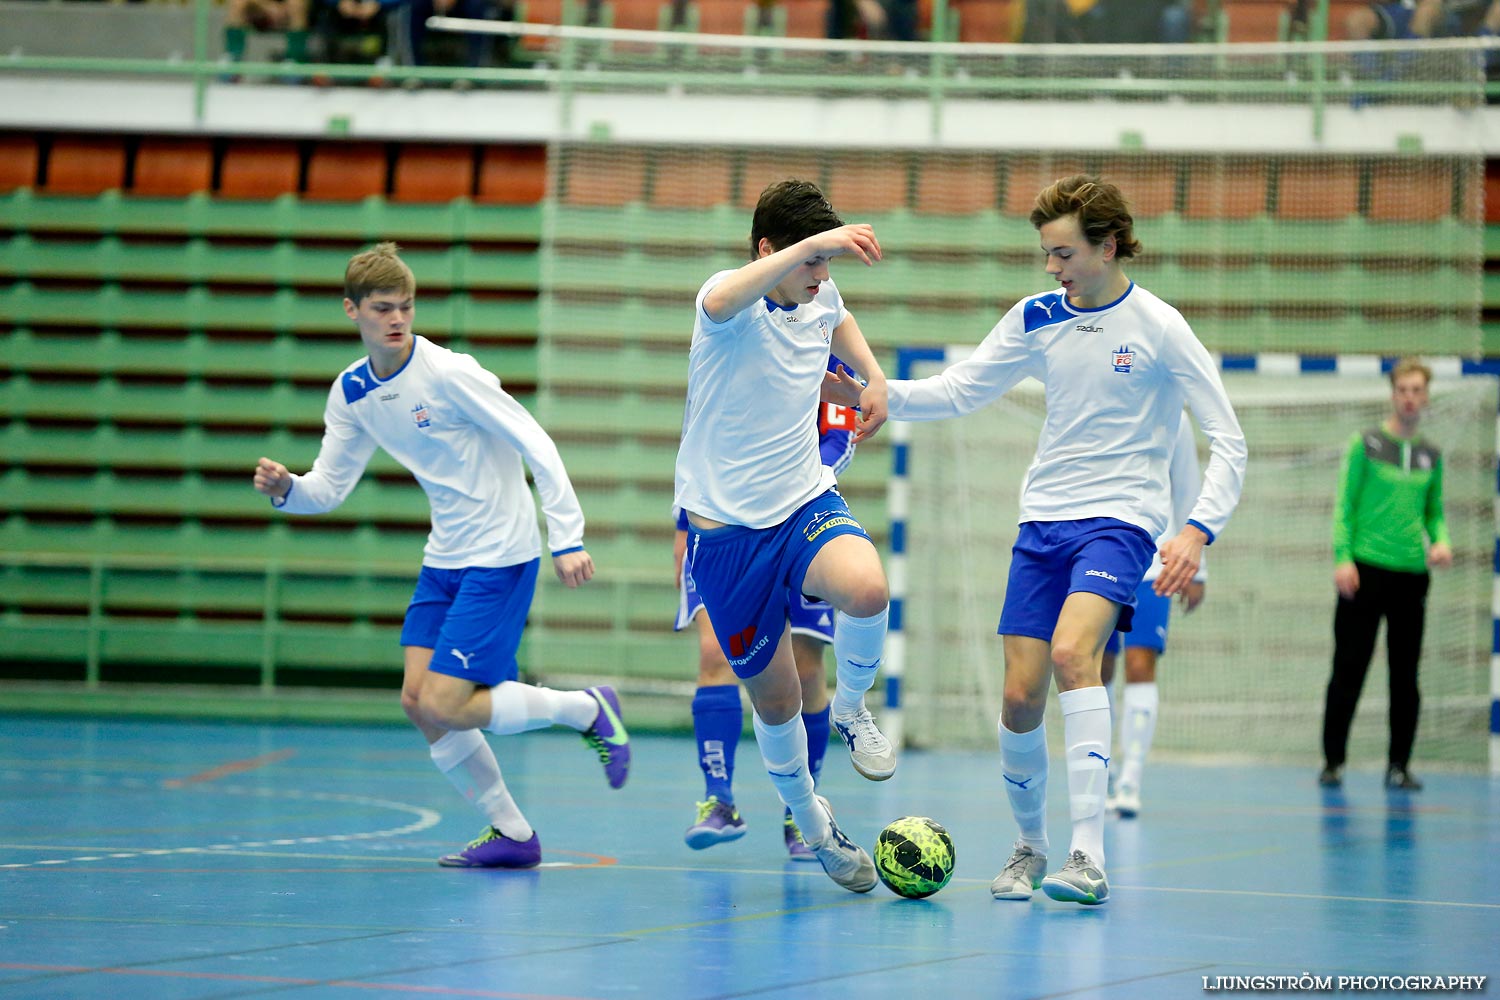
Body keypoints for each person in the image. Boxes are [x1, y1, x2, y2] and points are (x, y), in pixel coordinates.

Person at [845, 173, 1247, 905]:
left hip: (1120, 522)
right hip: (1042, 523)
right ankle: (1031, 846)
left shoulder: (1160, 326)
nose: (1052, 267)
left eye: (1063, 253)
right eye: (1045, 253)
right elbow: (965, 387)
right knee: (1020, 696)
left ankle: (1087, 855)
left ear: (1109, 245)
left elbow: (1229, 441)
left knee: (1072, 654)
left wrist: (1197, 531)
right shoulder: (1036, 317)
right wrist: (885, 396)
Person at [251, 242, 629, 869]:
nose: (397, 319)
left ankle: (588, 709)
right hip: (446, 555)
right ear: (352, 311)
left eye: (406, 306)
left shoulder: (450, 375)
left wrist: (566, 536)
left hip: (501, 552)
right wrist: (288, 490)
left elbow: (537, 442)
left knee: (447, 702)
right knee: (416, 701)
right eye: (382, 308)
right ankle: (513, 834)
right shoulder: (351, 392)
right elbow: (328, 489)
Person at [673, 178, 896, 894]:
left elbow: (835, 325)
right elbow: (723, 298)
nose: (822, 279)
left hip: (802, 504)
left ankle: (856, 709)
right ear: (773, 250)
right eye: (812, 262)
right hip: (726, 539)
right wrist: (814, 246)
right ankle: (814, 823)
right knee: (775, 705)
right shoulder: (725, 303)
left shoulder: (816, 294)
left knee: (867, 588)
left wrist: (869, 378)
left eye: (827, 266)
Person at [675, 356, 860, 861]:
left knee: (803, 669)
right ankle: (718, 800)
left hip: (796, 524)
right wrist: (680, 525)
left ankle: (801, 812)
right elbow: (699, 441)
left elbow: (842, 441)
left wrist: (780, 485)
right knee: (715, 655)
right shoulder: (726, 336)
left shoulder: (826, 348)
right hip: (722, 531)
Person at [1319, 358, 1451, 792]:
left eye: (1417, 390)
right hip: (1364, 572)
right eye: (1403, 389)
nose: (1410, 397)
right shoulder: (1367, 444)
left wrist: (1441, 540)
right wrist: (1343, 558)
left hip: (1411, 577)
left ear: (1426, 396)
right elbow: (1345, 506)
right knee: (1349, 667)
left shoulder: (1432, 456)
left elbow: (1434, 512)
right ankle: (1334, 761)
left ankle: (1399, 765)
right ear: (1393, 394)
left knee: (1405, 674)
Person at [1100, 413, 1206, 820]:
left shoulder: (1174, 417)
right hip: (1102, 555)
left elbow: (1188, 490)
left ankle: (1131, 779)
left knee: (1140, 663)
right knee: (1097, 667)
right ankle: (1102, 771)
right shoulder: (1103, 401)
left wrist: (1200, 567)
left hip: (1154, 562)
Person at [224, 0, 310, 70]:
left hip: (288, 9)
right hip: (260, 8)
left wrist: (281, 8)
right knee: (237, 2)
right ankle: (233, 60)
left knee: (297, 4)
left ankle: (295, 60)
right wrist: (266, 5)